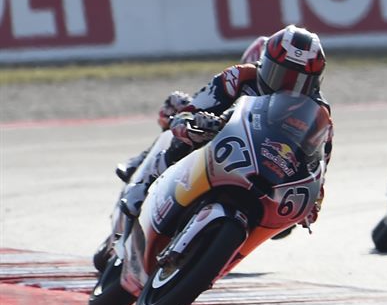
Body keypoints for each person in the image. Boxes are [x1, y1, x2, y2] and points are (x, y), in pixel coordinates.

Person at [120, 25, 332, 224]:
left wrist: (314, 200)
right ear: (264, 65)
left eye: (297, 82)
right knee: (183, 135)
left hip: (268, 173)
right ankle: (143, 185)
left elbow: (319, 165)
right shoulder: (238, 76)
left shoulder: (319, 113)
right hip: (218, 144)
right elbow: (190, 111)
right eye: (280, 76)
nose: (285, 89)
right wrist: (192, 123)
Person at [115, 35, 271, 183]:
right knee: (177, 111)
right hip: (215, 139)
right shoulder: (237, 79)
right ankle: (142, 173)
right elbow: (196, 107)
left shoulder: (283, 101)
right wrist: (184, 117)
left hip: (256, 153)